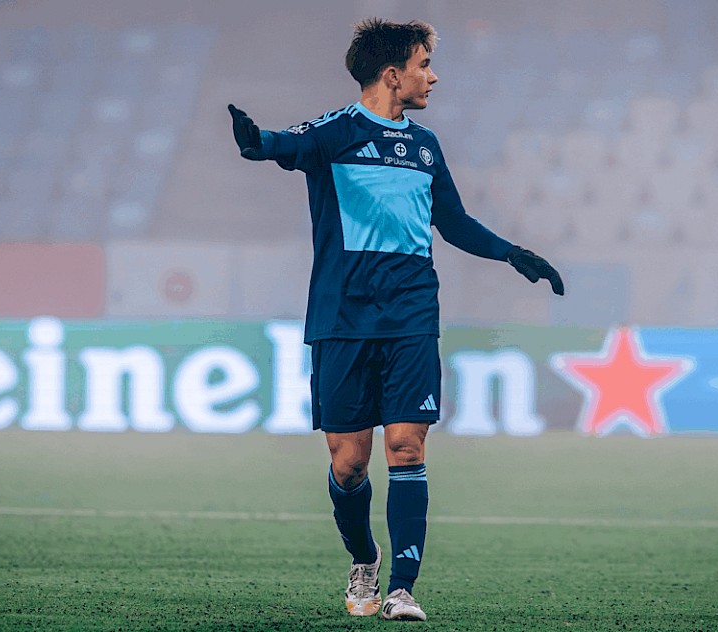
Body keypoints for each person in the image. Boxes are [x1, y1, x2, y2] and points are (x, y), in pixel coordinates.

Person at [228, 19, 563, 621]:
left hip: (411, 313)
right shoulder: (334, 133)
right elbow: (280, 146)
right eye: (423, 64)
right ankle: (365, 559)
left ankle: (403, 589)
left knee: (406, 448)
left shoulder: (426, 146)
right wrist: (256, 142)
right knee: (349, 463)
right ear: (391, 74)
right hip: (342, 317)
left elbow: (452, 222)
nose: (432, 76)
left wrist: (511, 253)